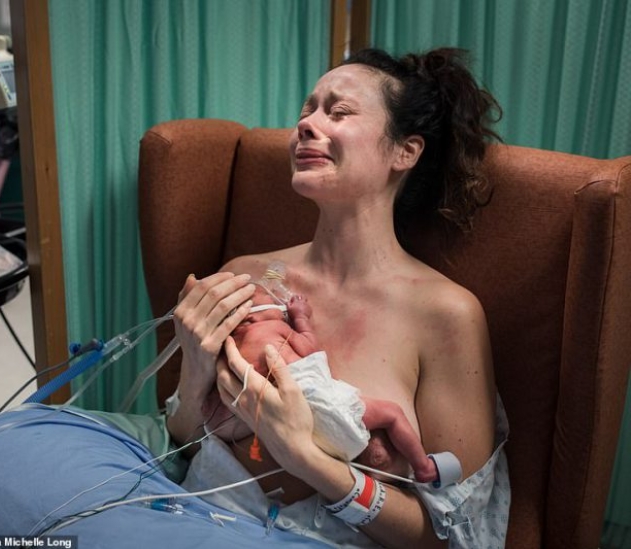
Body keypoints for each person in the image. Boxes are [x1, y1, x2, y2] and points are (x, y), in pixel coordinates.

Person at [168, 47, 510, 548]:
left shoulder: (445, 315)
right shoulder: (244, 278)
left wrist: (307, 458)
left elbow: (453, 536)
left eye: (339, 112)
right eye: (307, 110)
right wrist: (195, 368)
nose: (307, 124)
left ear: (405, 152)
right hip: (191, 521)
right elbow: (179, 439)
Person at [202, 280, 441, 486]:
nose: (280, 304)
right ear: (252, 315)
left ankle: (363, 472)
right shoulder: (271, 328)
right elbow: (310, 349)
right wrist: (300, 317)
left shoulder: (231, 352)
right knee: (392, 414)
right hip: (322, 404)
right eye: (271, 298)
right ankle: (423, 467)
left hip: (296, 433)